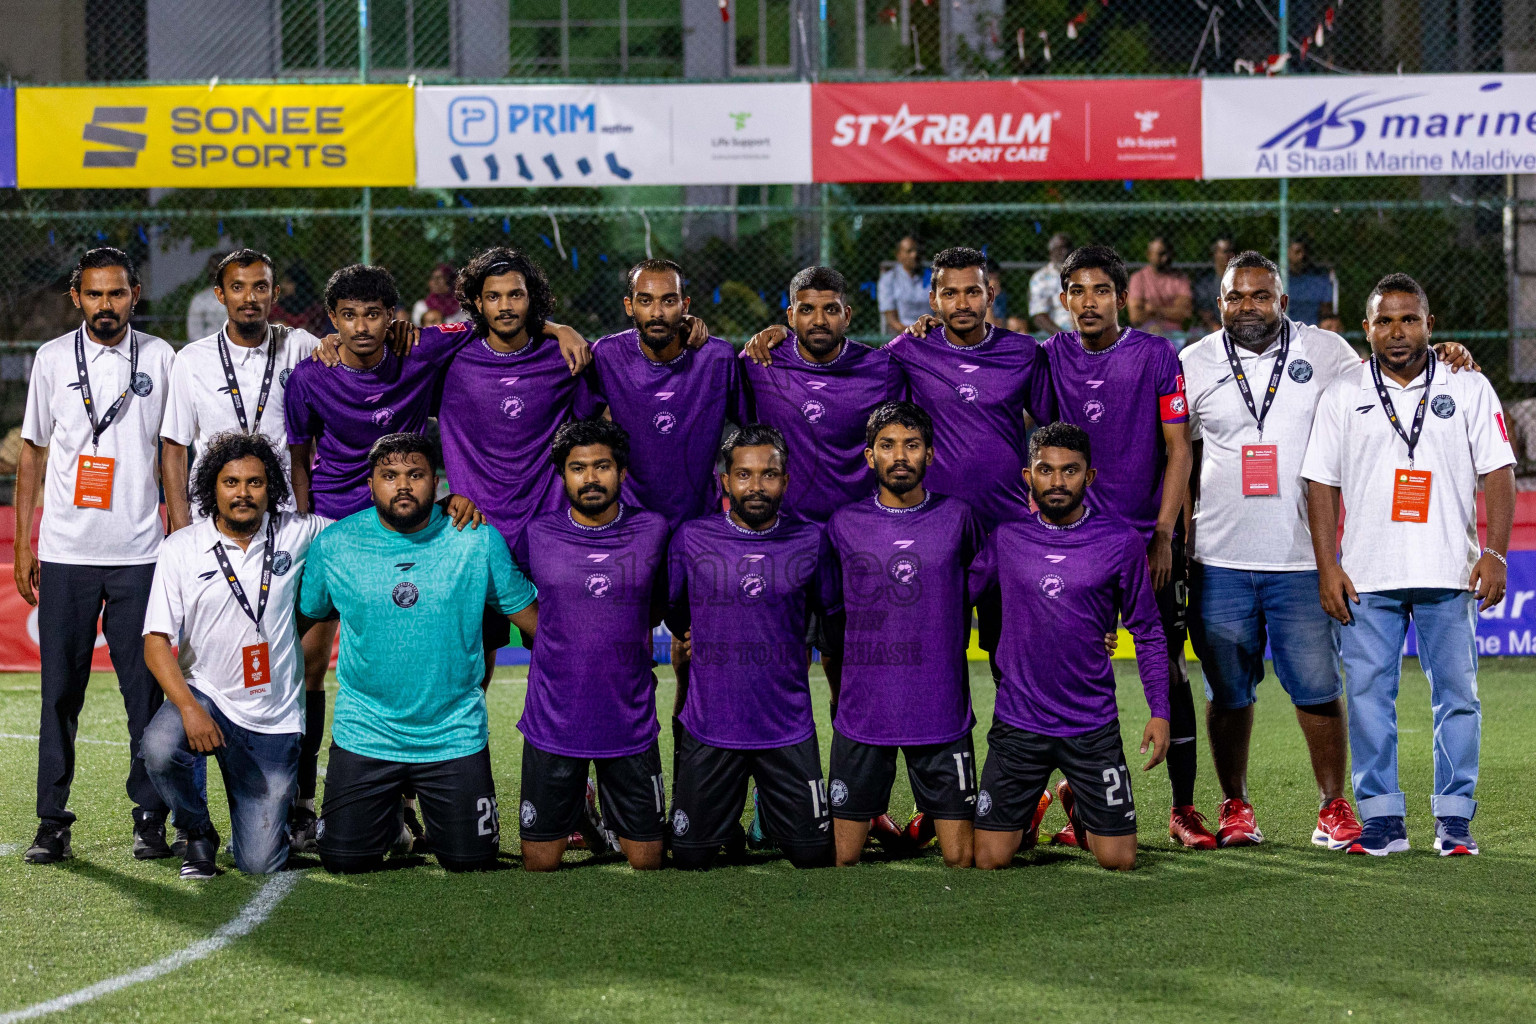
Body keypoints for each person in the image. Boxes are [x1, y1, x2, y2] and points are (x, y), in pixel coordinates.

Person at [1302, 274, 1516, 857]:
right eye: (1385, 321)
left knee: (1458, 696)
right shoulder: (1343, 392)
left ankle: (1454, 820)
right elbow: (1319, 484)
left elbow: (1498, 471)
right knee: (1370, 696)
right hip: (1367, 576)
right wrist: (1328, 566)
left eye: (1410, 319)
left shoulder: (1468, 385)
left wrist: (1495, 553)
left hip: (1450, 572)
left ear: (1429, 323)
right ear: (1366, 329)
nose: (1398, 332)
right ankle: (1382, 820)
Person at [282, 263, 479, 850]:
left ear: (393, 316)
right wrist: (306, 525)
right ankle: (301, 798)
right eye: (348, 316)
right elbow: (299, 454)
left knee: (412, 657)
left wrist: (559, 329)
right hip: (335, 526)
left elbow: (495, 318)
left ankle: (408, 796)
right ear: (332, 320)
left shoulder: (420, 350)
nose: (362, 327)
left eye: (374, 314)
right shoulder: (309, 376)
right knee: (311, 661)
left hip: (404, 524)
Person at [1181, 251, 1364, 850]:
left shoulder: (1329, 354)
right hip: (1220, 559)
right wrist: (1180, 543)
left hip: (1302, 562)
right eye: (1237, 297)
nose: (1249, 306)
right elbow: (1176, 460)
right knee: (1227, 693)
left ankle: (1334, 806)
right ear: (1220, 305)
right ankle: (1235, 804)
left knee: (1317, 687)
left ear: (1284, 303)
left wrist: (1447, 358)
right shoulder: (1194, 362)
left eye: (1261, 295)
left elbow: (1384, 393)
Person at [298, 433, 538, 873]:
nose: (403, 485)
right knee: (343, 861)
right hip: (366, 732)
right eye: (389, 476)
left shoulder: (476, 540)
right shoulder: (334, 546)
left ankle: (407, 812)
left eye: (415, 474)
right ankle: (387, 817)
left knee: (472, 861)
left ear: (436, 481)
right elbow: (302, 620)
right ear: (370, 484)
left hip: (452, 734)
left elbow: (537, 621)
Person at [1040, 244, 1208, 849]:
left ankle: (1184, 809)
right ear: (1063, 300)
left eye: (1101, 292)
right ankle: (1076, 799)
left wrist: (1165, 534)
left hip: (1145, 542)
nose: (1089, 303)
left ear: (1122, 297)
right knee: (1063, 672)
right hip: (1077, 547)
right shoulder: (1050, 357)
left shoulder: (1155, 356)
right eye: (1078, 292)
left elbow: (1179, 449)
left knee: (1169, 670)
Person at [17, 247, 178, 865]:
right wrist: (22, 539)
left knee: (146, 696)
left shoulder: (160, 357)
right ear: (75, 298)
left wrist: (178, 536)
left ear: (134, 294)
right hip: (65, 552)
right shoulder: (52, 359)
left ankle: (150, 817)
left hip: (142, 553)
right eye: (94, 294)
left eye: (116, 294)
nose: (105, 305)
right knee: (60, 694)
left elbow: (173, 451)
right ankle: (52, 822)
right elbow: (33, 451)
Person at [969, 422, 1170, 871]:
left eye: (1070, 471)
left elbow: (1149, 631)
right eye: (1046, 470)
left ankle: (1077, 807)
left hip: (1091, 724)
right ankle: (1028, 810)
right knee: (988, 859)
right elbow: (956, 598)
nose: (1057, 482)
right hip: (1019, 723)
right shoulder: (1006, 538)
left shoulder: (1119, 543)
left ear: (1089, 477)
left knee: (1119, 861)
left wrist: (1159, 711)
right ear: (1028, 476)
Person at [141, 432, 327, 878]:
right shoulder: (181, 547)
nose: (243, 493)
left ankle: (274, 826)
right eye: (231, 482)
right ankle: (197, 833)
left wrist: (442, 506)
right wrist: (188, 707)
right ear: (212, 488)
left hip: (274, 715)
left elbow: (366, 533)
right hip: (207, 695)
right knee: (160, 746)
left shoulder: (301, 532)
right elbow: (154, 643)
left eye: (255, 483)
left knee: (260, 864)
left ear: (271, 488)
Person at [666, 424, 841, 871]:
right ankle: (726, 825)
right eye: (744, 475)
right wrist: (693, 634)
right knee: (688, 857)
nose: (756, 485)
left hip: (786, 726)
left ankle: (767, 814)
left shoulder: (811, 540)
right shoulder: (692, 538)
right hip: (711, 725)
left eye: (769, 474)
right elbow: (670, 604)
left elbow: (830, 613)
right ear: (725, 481)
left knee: (814, 855)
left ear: (785, 480)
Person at [825, 401, 987, 868]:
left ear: (930, 455)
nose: (900, 456)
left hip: (940, 709)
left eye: (912, 445)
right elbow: (831, 612)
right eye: (888, 445)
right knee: (841, 858)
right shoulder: (843, 524)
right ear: (869, 456)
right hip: (865, 712)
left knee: (962, 859)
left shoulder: (959, 518)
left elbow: (992, 585)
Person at [434, 247, 597, 684]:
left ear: (532, 298)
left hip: (548, 536)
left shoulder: (564, 359)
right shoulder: (449, 361)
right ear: (477, 302)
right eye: (493, 296)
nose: (505, 306)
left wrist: (561, 330)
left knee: (560, 666)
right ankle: (465, 754)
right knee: (470, 676)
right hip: (474, 536)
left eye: (516, 295)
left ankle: (555, 751)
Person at [514, 420, 671, 872]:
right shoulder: (537, 534)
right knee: (540, 863)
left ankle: (594, 807)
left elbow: (658, 604)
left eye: (602, 466)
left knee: (647, 861)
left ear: (622, 471)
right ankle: (579, 805)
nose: (590, 478)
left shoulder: (654, 530)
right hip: (553, 721)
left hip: (629, 720)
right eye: (577, 468)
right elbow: (517, 596)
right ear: (562, 475)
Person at [162, 249, 322, 531]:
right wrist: (179, 528)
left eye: (260, 287)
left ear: (274, 294)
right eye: (237, 287)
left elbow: (348, 351)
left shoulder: (301, 347)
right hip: (211, 518)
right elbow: (175, 449)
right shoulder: (192, 359)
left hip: (283, 517)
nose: (249, 298)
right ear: (220, 295)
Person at [588, 259, 745, 531]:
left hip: (701, 519)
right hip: (628, 520)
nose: (657, 312)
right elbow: (573, 424)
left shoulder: (718, 357)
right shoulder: (607, 355)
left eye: (669, 301)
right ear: (629, 306)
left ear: (685, 306)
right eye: (645, 301)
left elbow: (755, 424)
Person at [1127, 236, 1193, 341]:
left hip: (1176, 336)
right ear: (1149, 255)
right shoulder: (1138, 278)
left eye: (1168, 253)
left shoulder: (1181, 279)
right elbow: (1135, 317)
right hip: (1146, 333)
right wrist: (1171, 311)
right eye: (1161, 254)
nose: (1166, 258)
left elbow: (1185, 313)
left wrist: (1153, 310)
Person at [877, 234, 929, 336]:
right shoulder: (888, 279)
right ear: (899, 255)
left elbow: (940, 313)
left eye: (917, 251)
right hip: (902, 336)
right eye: (909, 251)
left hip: (930, 334)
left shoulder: (933, 279)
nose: (914, 255)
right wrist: (914, 333)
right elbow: (891, 320)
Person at [1285, 236, 1339, 328]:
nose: (1302, 256)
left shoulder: (1318, 278)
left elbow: (1326, 310)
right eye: (1297, 252)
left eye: (1304, 252)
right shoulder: (1275, 277)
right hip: (1284, 329)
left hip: (1313, 329)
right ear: (1287, 253)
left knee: (1331, 324)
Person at [1028, 232, 1074, 336]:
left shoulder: (1084, 275)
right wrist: (1064, 338)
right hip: (1054, 336)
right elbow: (1039, 316)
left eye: (1068, 247)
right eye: (1059, 248)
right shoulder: (1041, 278)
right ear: (1051, 252)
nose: (1065, 252)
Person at [1193, 236, 1235, 335]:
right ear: (1214, 254)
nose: (1231, 255)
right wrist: (1214, 325)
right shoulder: (1205, 283)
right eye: (1225, 252)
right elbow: (1204, 311)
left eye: (1232, 251)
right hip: (1213, 331)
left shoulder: (1243, 281)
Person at [184, 252, 229, 341]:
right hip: (210, 349)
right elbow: (194, 334)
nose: (215, 272)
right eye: (213, 268)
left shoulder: (243, 297)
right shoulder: (201, 300)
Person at [984, 258, 1009, 327]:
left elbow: (999, 325)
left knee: (1015, 324)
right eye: (989, 279)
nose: (994, 283)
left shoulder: (1000, 296)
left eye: (996, 279)